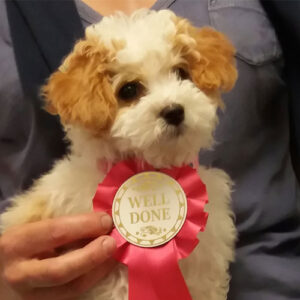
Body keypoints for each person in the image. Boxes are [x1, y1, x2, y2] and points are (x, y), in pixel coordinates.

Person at [1, 0, 300, 299]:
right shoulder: (70, 197)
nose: (171, 103)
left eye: (181, 74)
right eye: (130, 90)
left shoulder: (208, 198)